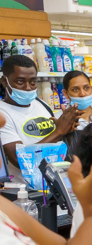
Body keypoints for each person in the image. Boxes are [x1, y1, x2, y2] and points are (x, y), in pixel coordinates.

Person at [0, 55, 82, 184]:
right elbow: (18, 158)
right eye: (20, 81)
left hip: (56, 185)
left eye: (33, 82)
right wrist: (59, 132)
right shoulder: (2, 114)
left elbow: (60, 145)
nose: (28, 87)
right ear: (5, 81)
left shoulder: (40, 103)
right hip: (26, 192)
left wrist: (68, 130)